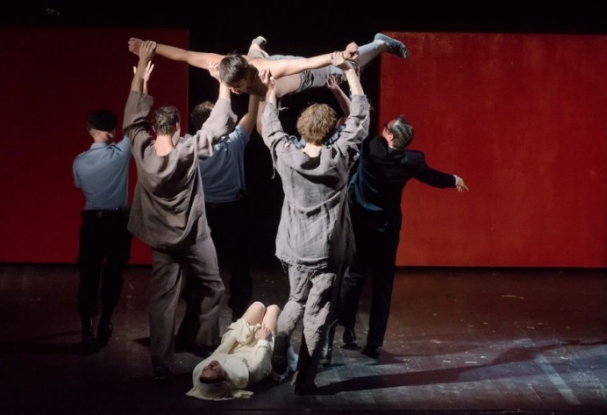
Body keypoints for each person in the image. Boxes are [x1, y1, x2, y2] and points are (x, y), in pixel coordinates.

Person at [123, 40, 238, 380]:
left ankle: (161, 364)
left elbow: (132, 120)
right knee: (213, 287)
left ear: (155, 128)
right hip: (193, 237)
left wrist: (141, 76)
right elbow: (218, 125)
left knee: (163, 300)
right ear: (176, 128)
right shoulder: (186, 150)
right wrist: (222, 82)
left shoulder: (142, 150)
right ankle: (203, 342)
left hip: (161, 241)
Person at [259, 55, 370, 395]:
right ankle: (305, 380)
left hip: (294, 246)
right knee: (317, 313)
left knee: (295, 299)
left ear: (302, 127)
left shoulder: (286, 155)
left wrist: (270, 93)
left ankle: (279, 346)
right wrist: (352, 77)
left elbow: (270, 128)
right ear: (331, 129)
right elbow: (360, 120)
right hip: (326, 250)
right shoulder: (339, 158)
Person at [322, 114, 470, 363]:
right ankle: (373, 344)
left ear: (389, 135)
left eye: (386, 128)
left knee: (353, 278)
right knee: (383, 285)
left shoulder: (371, 148)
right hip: (386, 229)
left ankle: (335, 330)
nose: (382, 129)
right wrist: (454, 180)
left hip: (360, 225)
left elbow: (358, 127)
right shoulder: (412, 161)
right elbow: (433, 177)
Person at [187, 38, 265, 322]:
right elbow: (252, 113)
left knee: (199, 272)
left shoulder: (188, 147)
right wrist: (254, 83)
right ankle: (238, 322)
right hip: (234, 214)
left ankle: (195, 323)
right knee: (239, 269)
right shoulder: (234, 141)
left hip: (203, 215)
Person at [127, 33, 407, 99]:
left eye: (236, 86)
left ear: (246, 77)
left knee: (346, 72)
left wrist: (339, 55)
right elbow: (186, 55)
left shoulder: (267, 72)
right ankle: (255, 45)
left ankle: (379, 44)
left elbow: (309, 62)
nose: (233, 91)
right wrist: (149, 48)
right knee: (253, 54)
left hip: (304, 72)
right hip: (258, 65)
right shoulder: (225, 65)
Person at [72, 109, 132, 355]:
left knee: (88, 277)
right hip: (116, 224)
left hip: (92, 225)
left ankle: (87, 331)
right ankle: (105, 322)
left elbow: (79, 185)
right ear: (112, 131)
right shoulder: (120, 153)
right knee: (113, 275)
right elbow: (134, 124)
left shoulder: (79, 161)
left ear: (89, 131)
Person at [186, 301, 297, 400]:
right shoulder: (243, 376)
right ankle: (288, 356)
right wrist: (262, 339)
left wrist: (236, 332)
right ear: (224, 377)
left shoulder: (199, 371)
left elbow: (220, 351)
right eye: (214, 369)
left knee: (258, 306)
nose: (211, 364)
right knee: (273, 308)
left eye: (206, 368)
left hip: (236, 347)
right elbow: (261, 361)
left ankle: (288, 353)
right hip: (255, 351)